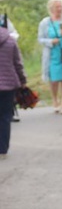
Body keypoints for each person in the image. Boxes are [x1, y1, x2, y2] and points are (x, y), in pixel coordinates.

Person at [0, 25, 26, 158]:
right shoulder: (10, 40)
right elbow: (18, 63)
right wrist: (22, 80)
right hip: (8, 85)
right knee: (5, 117)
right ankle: (2, 150)